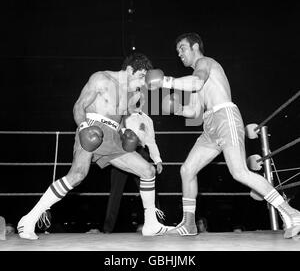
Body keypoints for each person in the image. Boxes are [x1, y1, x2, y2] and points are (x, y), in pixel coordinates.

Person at [145, 32, 300, 238]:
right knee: (187, 170)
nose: (179, 53)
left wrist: (165, 81)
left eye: (182, 48)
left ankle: (291, 213)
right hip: (210, 125)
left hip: (225, 116)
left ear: (195, 47)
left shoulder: (205, 63)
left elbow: (196, 82)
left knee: (239, 172)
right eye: (177, 51)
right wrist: (174, 108)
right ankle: (189, 224)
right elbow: (193, 111)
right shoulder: (196, 75)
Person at [17, 52, 173, 240]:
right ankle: (29, 219)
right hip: (92, 127)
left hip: (113, 137)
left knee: (148, 171)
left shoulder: (132, 94)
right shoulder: (101, 78)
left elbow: (120, 120)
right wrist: (83, 127)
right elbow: (79, 106)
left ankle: (151, 224)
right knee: (77, 175)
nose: (142, 83)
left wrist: (124, 132)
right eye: (141, 76)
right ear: (130, 69)